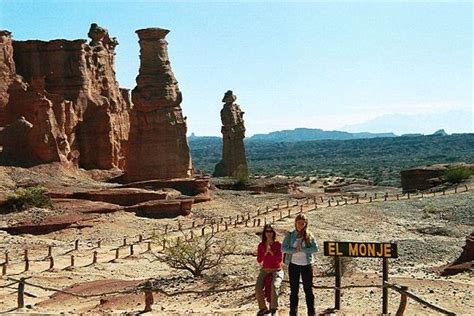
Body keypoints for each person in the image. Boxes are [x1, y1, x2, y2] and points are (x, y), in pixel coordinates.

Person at [282, 214, 319, 316]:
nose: (301, 225)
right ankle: (293, 313)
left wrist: (302, 249)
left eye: (303, 223)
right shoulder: (290, 235)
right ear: (295, 223)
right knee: (294, 291)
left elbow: (315, 248)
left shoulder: (309, 235)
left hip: (306, 265)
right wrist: (294, 250)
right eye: (299, 223)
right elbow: (283, 248)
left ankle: (311, 312)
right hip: (293, 265)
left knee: (308, 290)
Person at [255, 224, 284, 315]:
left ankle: (273, 308)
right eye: (267, 231)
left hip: (276, 269)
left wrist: (271, 252)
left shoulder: (278, 244)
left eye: (270, 231)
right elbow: (259, 260)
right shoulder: (261, 245)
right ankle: (263, 308)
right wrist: (265, 253)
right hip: (265, 269)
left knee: (274, 286)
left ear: (273, 233)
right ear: (264, 233)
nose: (269, 233)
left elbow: (279, 260)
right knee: (258, 287)